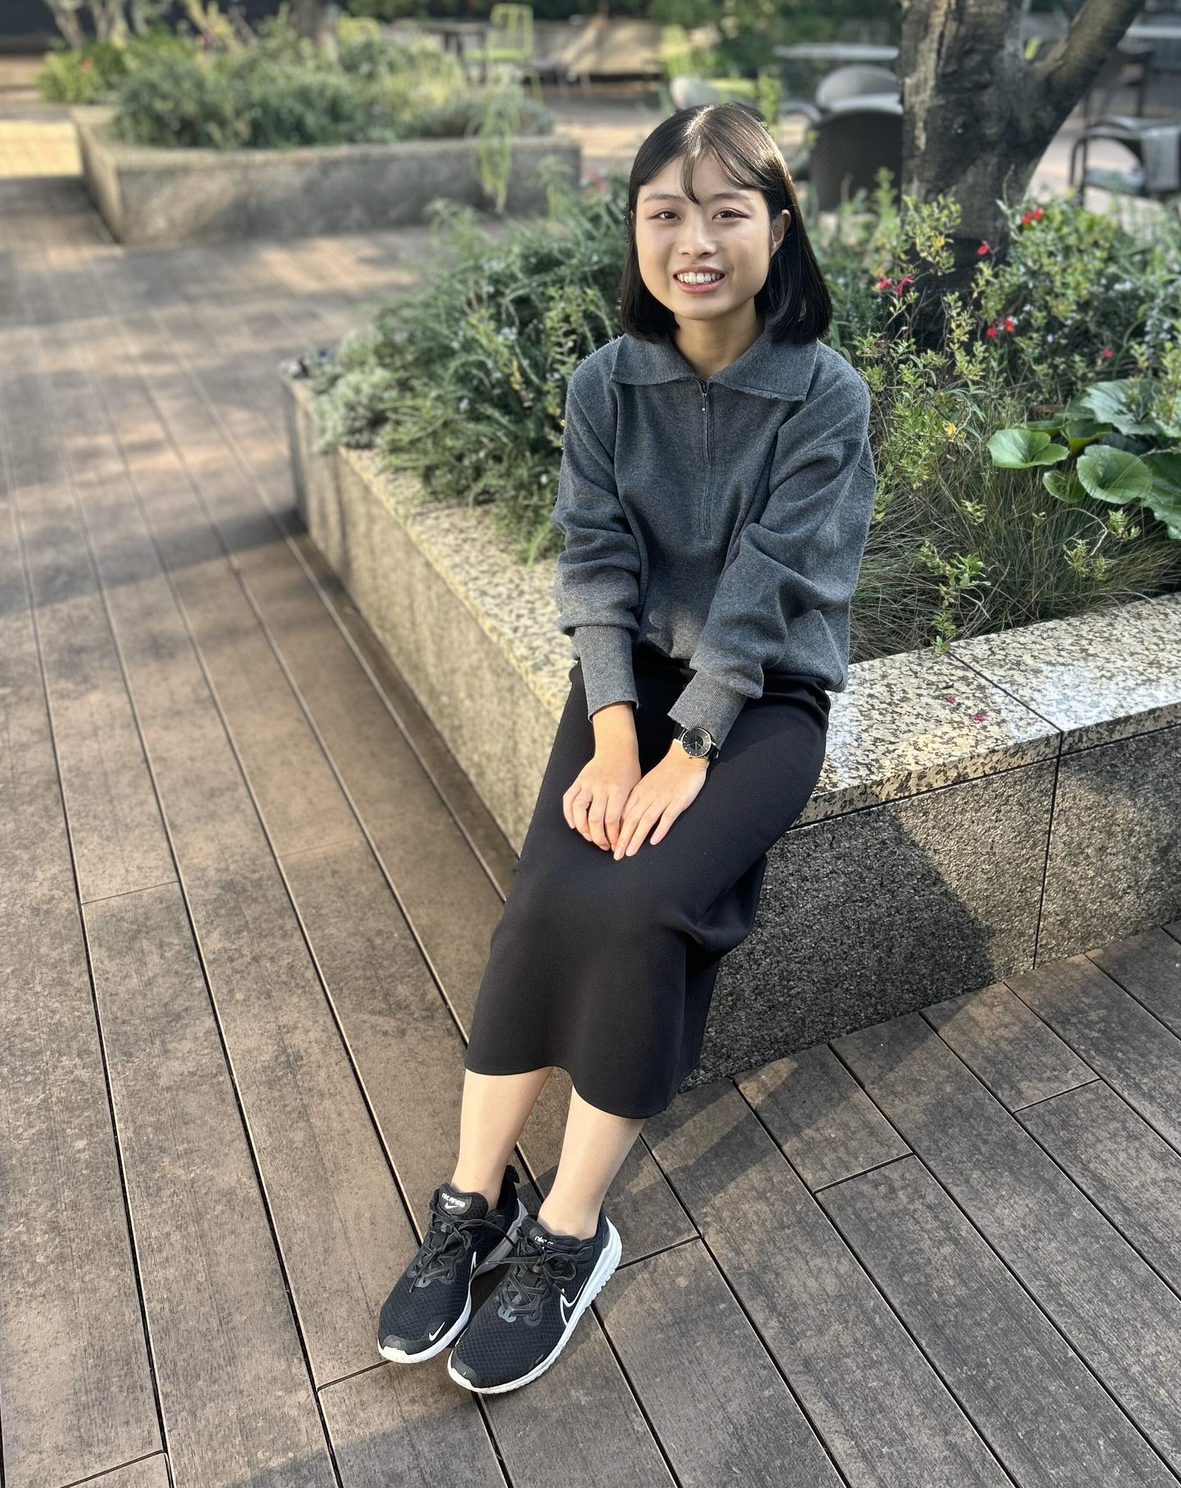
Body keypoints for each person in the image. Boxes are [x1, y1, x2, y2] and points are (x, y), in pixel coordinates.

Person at [376, 100, 877, 1395]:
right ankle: (472, 1201)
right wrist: (615, 735)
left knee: (643, 903)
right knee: (548, 896)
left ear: (780, 228)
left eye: (726, 212)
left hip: (764, 701)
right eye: (666, 213)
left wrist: (688, 746)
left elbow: (769, 589)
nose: (693, 241)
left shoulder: (823, 394)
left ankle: (570, 1234)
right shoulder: (605, 383)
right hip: (627, 688)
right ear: (637, 232)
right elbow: (595, 568)